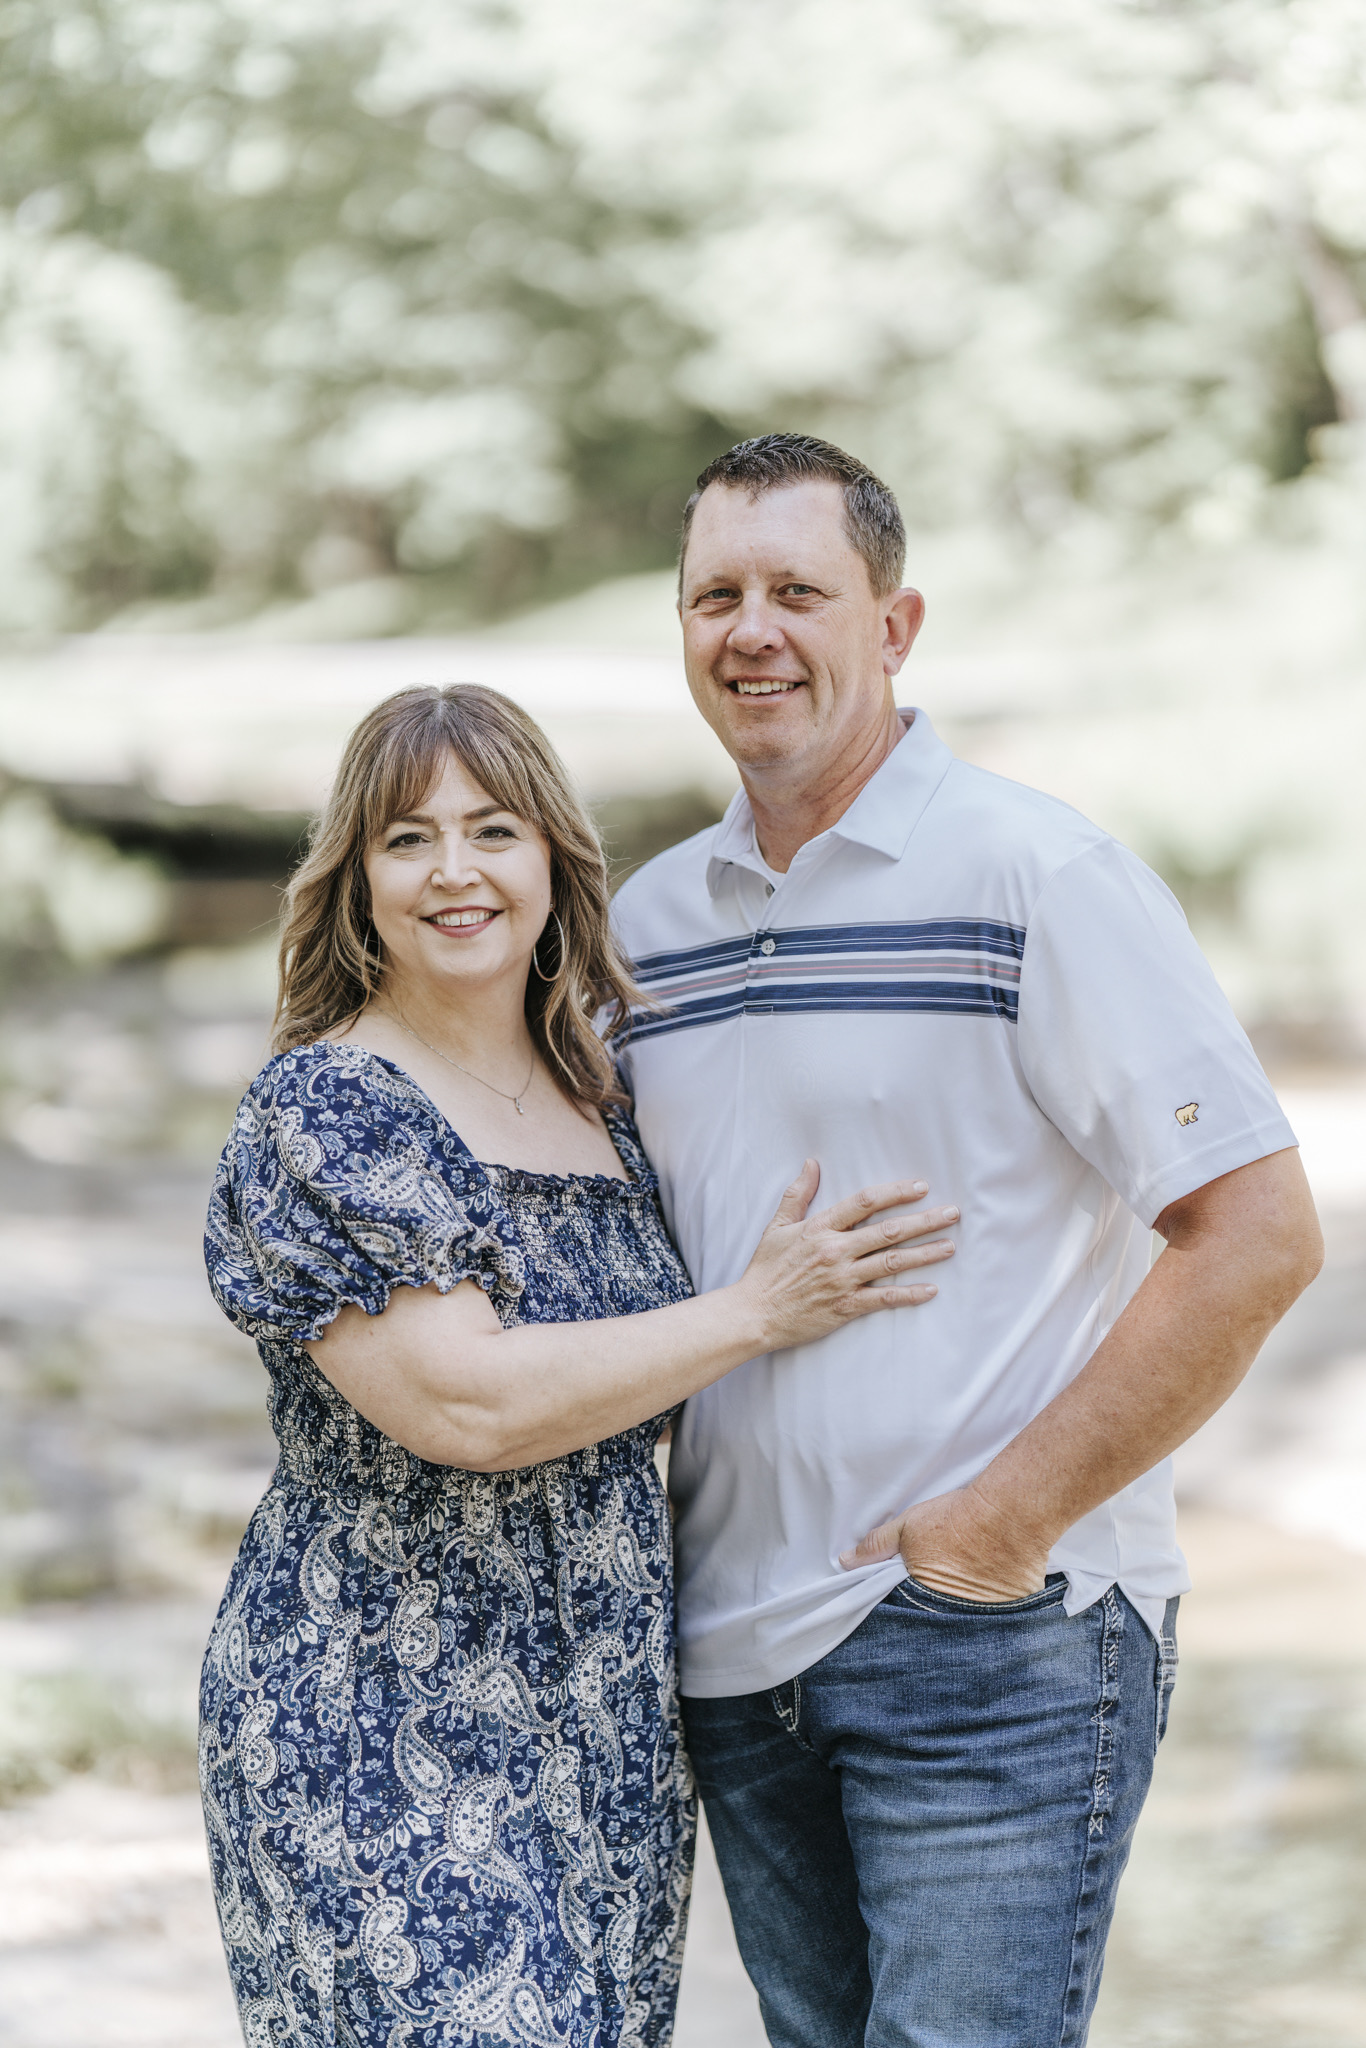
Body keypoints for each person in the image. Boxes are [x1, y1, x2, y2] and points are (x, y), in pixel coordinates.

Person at [609, 433, 1325, 2048]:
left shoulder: (1035, 874)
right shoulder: (645, 926)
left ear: (894, 625)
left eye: (799, 592)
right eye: (715, 597)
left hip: (989, 1640)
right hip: (732, 1655)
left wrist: (998, 1527)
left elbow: (1256, 1232)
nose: (751, 631)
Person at [199, 682, 956, 2048]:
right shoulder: (330, 1106)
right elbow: (469, 1405)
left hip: (600, 1711)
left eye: (493, 830)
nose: (455, 871)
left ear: (554, 857)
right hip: (378, 1697)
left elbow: (630, 1396)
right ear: (356, 881)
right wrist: (758, 1310)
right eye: (408, 840)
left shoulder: (601, 1099)